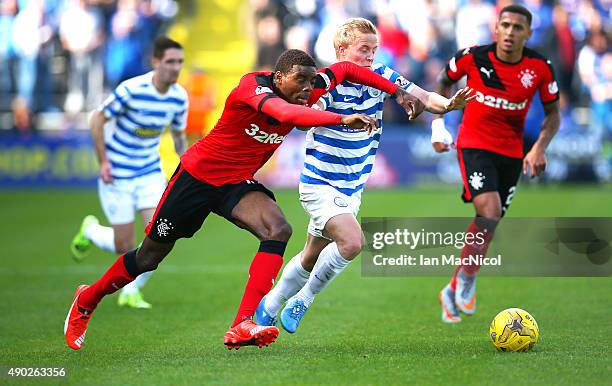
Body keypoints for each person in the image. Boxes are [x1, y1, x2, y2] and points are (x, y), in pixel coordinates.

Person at [64, 48, 420, 350]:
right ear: (279, 77)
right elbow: (286, 115)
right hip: (197, 177)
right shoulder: (253, 86)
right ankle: (88, 298)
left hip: (236, 183)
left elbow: (344, 69)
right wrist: (341, 117)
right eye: (302, 82)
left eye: (313, 83)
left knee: (278, 229)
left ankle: (243, 323)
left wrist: (396, 91)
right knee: (149, 256)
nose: (309, 90)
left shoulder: (303, 89)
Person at [255, 18, 474, 334]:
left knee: (310, 256)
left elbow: (425, 97)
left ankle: (270, 305)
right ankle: (303, 299)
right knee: (353, 242)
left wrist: (449, 105)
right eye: (364, 50)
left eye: (374, 49)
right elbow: (303, 120)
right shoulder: (326, 82)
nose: (371, 56)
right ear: (343, 49)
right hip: (320, 181)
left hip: (352, 187)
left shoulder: (382, 76)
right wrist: (342, 119)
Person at [431, 5, 560, 323]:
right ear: (496, 28)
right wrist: (439, 125)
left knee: (488, 223)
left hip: (512, 152)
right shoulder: (472, 57)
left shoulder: (540, 67)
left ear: (528, 33)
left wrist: (539, 148)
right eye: (505, 25)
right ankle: (468, 279)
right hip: (474, 144)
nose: (510, 32)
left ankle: (452, 287)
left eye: (518, 27)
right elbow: (441, 82)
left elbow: (553, 113)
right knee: (488, 212)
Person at [69, 36, 188, 309]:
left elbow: (179, 137)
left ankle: (131, 292)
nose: (175, 67)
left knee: (160, 235)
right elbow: (98, 118)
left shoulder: (179, 97)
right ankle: (91, 230)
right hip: (118, 173)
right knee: (125, 244)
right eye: (170, 61)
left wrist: (187, 166)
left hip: (148, 172)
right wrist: (103, 161)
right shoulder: (132, 90)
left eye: (179, 62)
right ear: (155, 62)